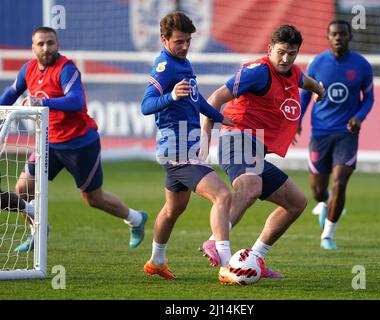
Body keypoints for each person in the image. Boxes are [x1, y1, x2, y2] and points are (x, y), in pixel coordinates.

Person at [0, 27, 148, 253]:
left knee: (93, 199)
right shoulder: (28, 69)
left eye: (50, 43)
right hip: (48, 143)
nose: (46, 48)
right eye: (41, 44)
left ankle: (136, 219)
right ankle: (38, 232)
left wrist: (41, 103)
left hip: (79, 144)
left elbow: (75, 101)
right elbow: (11, 93)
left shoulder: (66, 69)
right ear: (33, 48)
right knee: (22, 189)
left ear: (58, 45)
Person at [199, 25, 325, 278]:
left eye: (292, 53)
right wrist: (204, 139)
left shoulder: (293, 72)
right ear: (270, 49)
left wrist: (319, 90)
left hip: (255, 151)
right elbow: (214, 99)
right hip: (236, 139)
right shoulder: (256, 72)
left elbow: (306, 81)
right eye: (281, 52)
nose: (286, 58)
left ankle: (254, 259)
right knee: (251, 187)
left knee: (296, 202)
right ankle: (215, 239)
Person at [140, 11, 235, 283]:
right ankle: (227, 265)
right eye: (178, 41)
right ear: (164, 39)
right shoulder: (164, 66)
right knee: (222, 196)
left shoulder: (184, 62)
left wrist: (219, 116)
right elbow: (146, 106)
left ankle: (156, 261)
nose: (184, 46)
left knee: (173, 209)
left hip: (185, 148)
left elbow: (195, 97)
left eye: (188, 41)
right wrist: (170, 96)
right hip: (177, 150)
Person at [297, 20, 374, 250]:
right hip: (320, 132)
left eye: (342, 34)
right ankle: (325, 202)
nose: (338, 37)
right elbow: (304, 96)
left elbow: (369, 98)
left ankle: (327, 235)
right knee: (318, 191)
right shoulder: (317, 63)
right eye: (334, 34)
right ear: (328, 37)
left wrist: (358, 117)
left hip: (346, 133)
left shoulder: (361, 65)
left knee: (340, 181)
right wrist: (297, 120)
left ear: (349, 36)